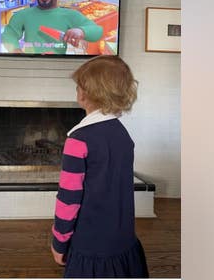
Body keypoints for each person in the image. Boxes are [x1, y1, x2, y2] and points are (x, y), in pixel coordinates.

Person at [50, 55, 149, 278]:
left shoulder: (78, 139)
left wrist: (59, 241)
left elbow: (68, 199)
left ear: (84, 93)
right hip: (122, 240)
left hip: (90, 246)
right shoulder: (122, 134)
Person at [1, 0, 103, 54]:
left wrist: (81, 31)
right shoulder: (23, 14)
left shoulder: (70, 15)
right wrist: (16, 51)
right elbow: (8, 35)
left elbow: (97, 31)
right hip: (31, 67)